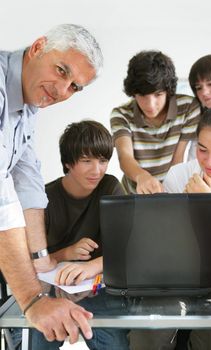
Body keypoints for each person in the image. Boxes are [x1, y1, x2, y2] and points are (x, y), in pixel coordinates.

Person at [0, 23, 103, 343]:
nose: (61, 91)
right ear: (37, 47)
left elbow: (26, 179)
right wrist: (33, 301)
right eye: (61, 71)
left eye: (74, 86)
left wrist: (41, 258)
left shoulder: (27, 104)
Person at [31, 120, 129, 350]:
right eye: (86, 161)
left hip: (99, 289)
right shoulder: (43, 199)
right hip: (49, 291)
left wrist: (91, 266)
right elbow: (28, 263)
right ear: (68, 162)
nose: (97, 170)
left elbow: (129, 248)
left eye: (103, 160)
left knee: (114, 344)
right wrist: (67, 253)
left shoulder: (110, 187)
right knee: (37, 339)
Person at [163, 103, 211, 349]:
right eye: (202, 149)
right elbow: (170, 248)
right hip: (179, 279)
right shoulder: (177, 175)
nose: (209, 161)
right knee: (148, 336)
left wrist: (210, 206)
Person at [110, 50, 201, 194]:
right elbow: (125, 156)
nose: (150, 105)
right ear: (133, 92)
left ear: (168, 90)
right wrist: (142, 177)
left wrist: (167, 194)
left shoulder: (188, 107)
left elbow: (178, 159)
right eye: (142, 95)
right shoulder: (121, 114)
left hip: (169, 191)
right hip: (133, 195)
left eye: (158, 95)